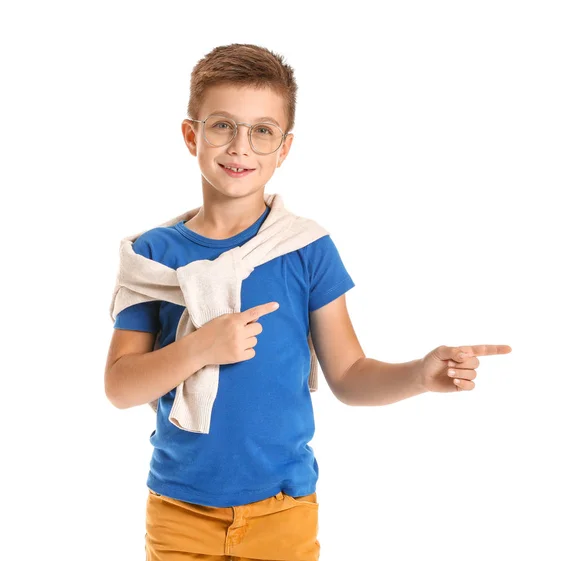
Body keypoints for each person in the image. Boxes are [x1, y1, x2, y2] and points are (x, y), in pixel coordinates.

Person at [104, 43, 512, 561]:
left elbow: (350, 374)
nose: (240, 147)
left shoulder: (307, 249)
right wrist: (199, 348)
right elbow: (119, 386)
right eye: (222, 125)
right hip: (179, 511)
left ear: (284, 148)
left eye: (262, 131)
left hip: (283, 510)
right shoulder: (153, 255)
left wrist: (418, 375)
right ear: (192, 135)